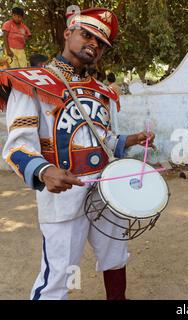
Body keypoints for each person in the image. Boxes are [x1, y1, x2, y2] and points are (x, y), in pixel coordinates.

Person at [1, 7, 154, 300]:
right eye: (87, 35)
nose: (94, 44)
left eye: (101, 43)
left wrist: (133, 139)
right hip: (63, 195)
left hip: (107, 190)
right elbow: (17, 148)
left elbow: (103, 140)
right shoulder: (31, 82)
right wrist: (44, 171)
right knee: (59, 275)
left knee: (115, 254)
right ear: (67, 33)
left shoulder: (101, 91)